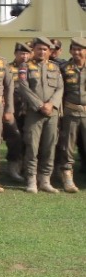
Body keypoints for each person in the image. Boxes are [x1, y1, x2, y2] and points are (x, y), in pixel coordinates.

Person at [18, 36, 64, 194]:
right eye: (39, 49)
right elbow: (23, 87)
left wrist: (51, 104)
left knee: (49, 146)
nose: (42, 52)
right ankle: (31, 179)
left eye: (45, 49)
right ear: (34, 50)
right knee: (32, 146)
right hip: (34, 112)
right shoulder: (25, 66)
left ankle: (45, 179)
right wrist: (39, 105)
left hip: (52, 113)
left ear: (49, 51)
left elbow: (60, 88)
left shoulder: (54, 67)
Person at [55, 37, 86, 193]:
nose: (76, 52)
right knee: (67, 145)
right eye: (74, 49)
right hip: (70, 111)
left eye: (80, 49)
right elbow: (59, 90)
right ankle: (67, 177)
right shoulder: (64, 68)